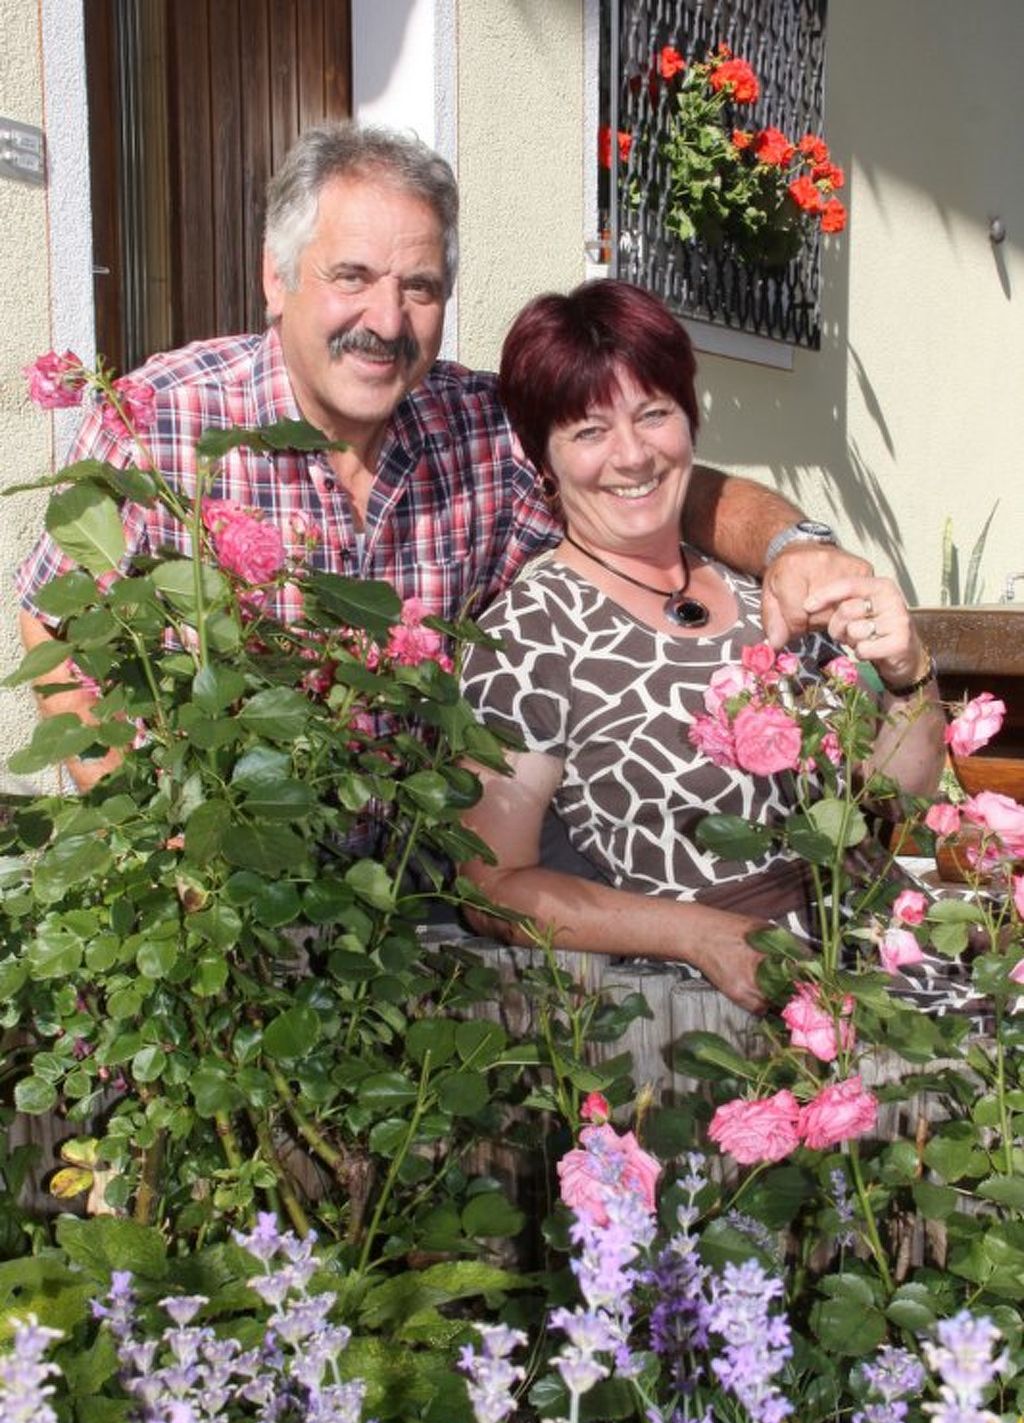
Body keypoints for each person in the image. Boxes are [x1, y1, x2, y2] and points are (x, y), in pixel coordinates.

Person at [16, 121, 868, 792]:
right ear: (278, 280)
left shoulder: (479, 428)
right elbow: (55, 622)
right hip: (229, 886)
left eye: (418, 288)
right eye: (352, 277)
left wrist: (793, 546)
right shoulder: (162, 422)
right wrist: (155, 831)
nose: (387, 321)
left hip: (416, 897)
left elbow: (646, 477)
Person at [457, 281, 944, 1012]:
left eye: (654, 414)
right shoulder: (529, 634)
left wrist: (908, 674)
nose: (632, 456)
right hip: (739, 1004)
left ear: (690, 419)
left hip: (896, 950)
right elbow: (492, 887)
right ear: (542, 460)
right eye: (589, 431)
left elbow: (896, 796)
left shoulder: (761, 591)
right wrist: (700, 936)